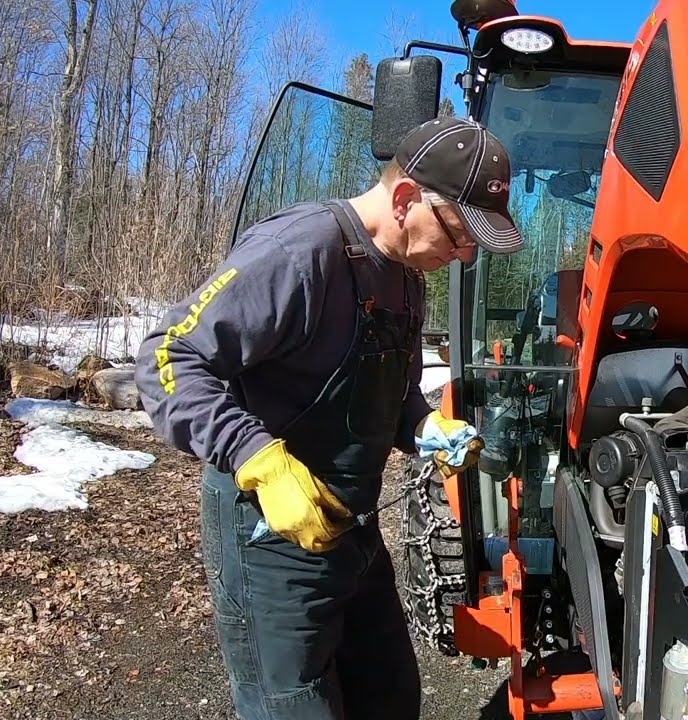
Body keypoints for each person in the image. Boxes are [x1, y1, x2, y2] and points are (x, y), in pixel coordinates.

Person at [135, 116, 524, 720]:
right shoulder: (298, 252)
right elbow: (167, 354)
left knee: (390, 696)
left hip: (352, 527)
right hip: (269, 535)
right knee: (294, 704)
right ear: (404, 199)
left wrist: (423, 426)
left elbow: (389, 393)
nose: (463, 253)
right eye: (458, 231)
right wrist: (254, 456)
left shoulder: (406, 276)